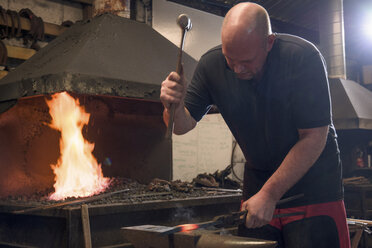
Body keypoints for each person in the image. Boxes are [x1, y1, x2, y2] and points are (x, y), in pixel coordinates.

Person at [160, 2, 350, 248]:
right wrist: (172, 105)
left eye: (247, 61)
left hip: (312, 188)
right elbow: (181, 125)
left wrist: (270, 194)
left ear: (269, 42)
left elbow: (314, 136)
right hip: (257, 187)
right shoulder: (212, 65)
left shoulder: (302, 58)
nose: (237, 69)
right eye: (231, 59)